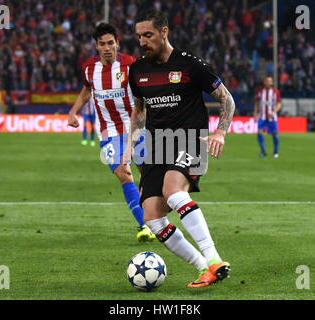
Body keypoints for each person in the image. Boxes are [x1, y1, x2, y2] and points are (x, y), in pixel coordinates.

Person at [123, 10, 235, 288]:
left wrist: (220, 132)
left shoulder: (190, 66)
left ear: (164, 32)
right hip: (156, 146)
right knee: (151, 217)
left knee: (173, 191)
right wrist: (129, 146)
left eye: (148, 35)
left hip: (189, 141)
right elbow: (139, 111)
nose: (142, 41)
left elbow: (227, 100)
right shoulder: (137, 71)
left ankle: (214, 258)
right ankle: (205, 268)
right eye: (139, 36)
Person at [68, 23, 155, 242]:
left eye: (110, 43)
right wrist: (73, 112)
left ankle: (155, 217)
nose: (107, 48)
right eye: (102, 44)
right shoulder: (89, 69)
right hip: (108, 132)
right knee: (124, 174)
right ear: (96, 46)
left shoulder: (130, 64)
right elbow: (87, 90)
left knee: (148, 173)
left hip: (135, 127)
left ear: (118, 42)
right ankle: (144, 225)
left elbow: (144, 92)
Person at [254, 77, 282, 158]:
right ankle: (263, 151)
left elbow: (279, 104)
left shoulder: (276, 92)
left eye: (269, 81)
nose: (268, 82)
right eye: (266, 81)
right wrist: (255, 114)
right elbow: (256, 103)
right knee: (259, 132)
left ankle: (276, 152)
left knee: (274, 135)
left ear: (272, 82)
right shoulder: (259, 92)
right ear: (264, 82)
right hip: (262, 117)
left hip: (272, 118)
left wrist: (274, 112)